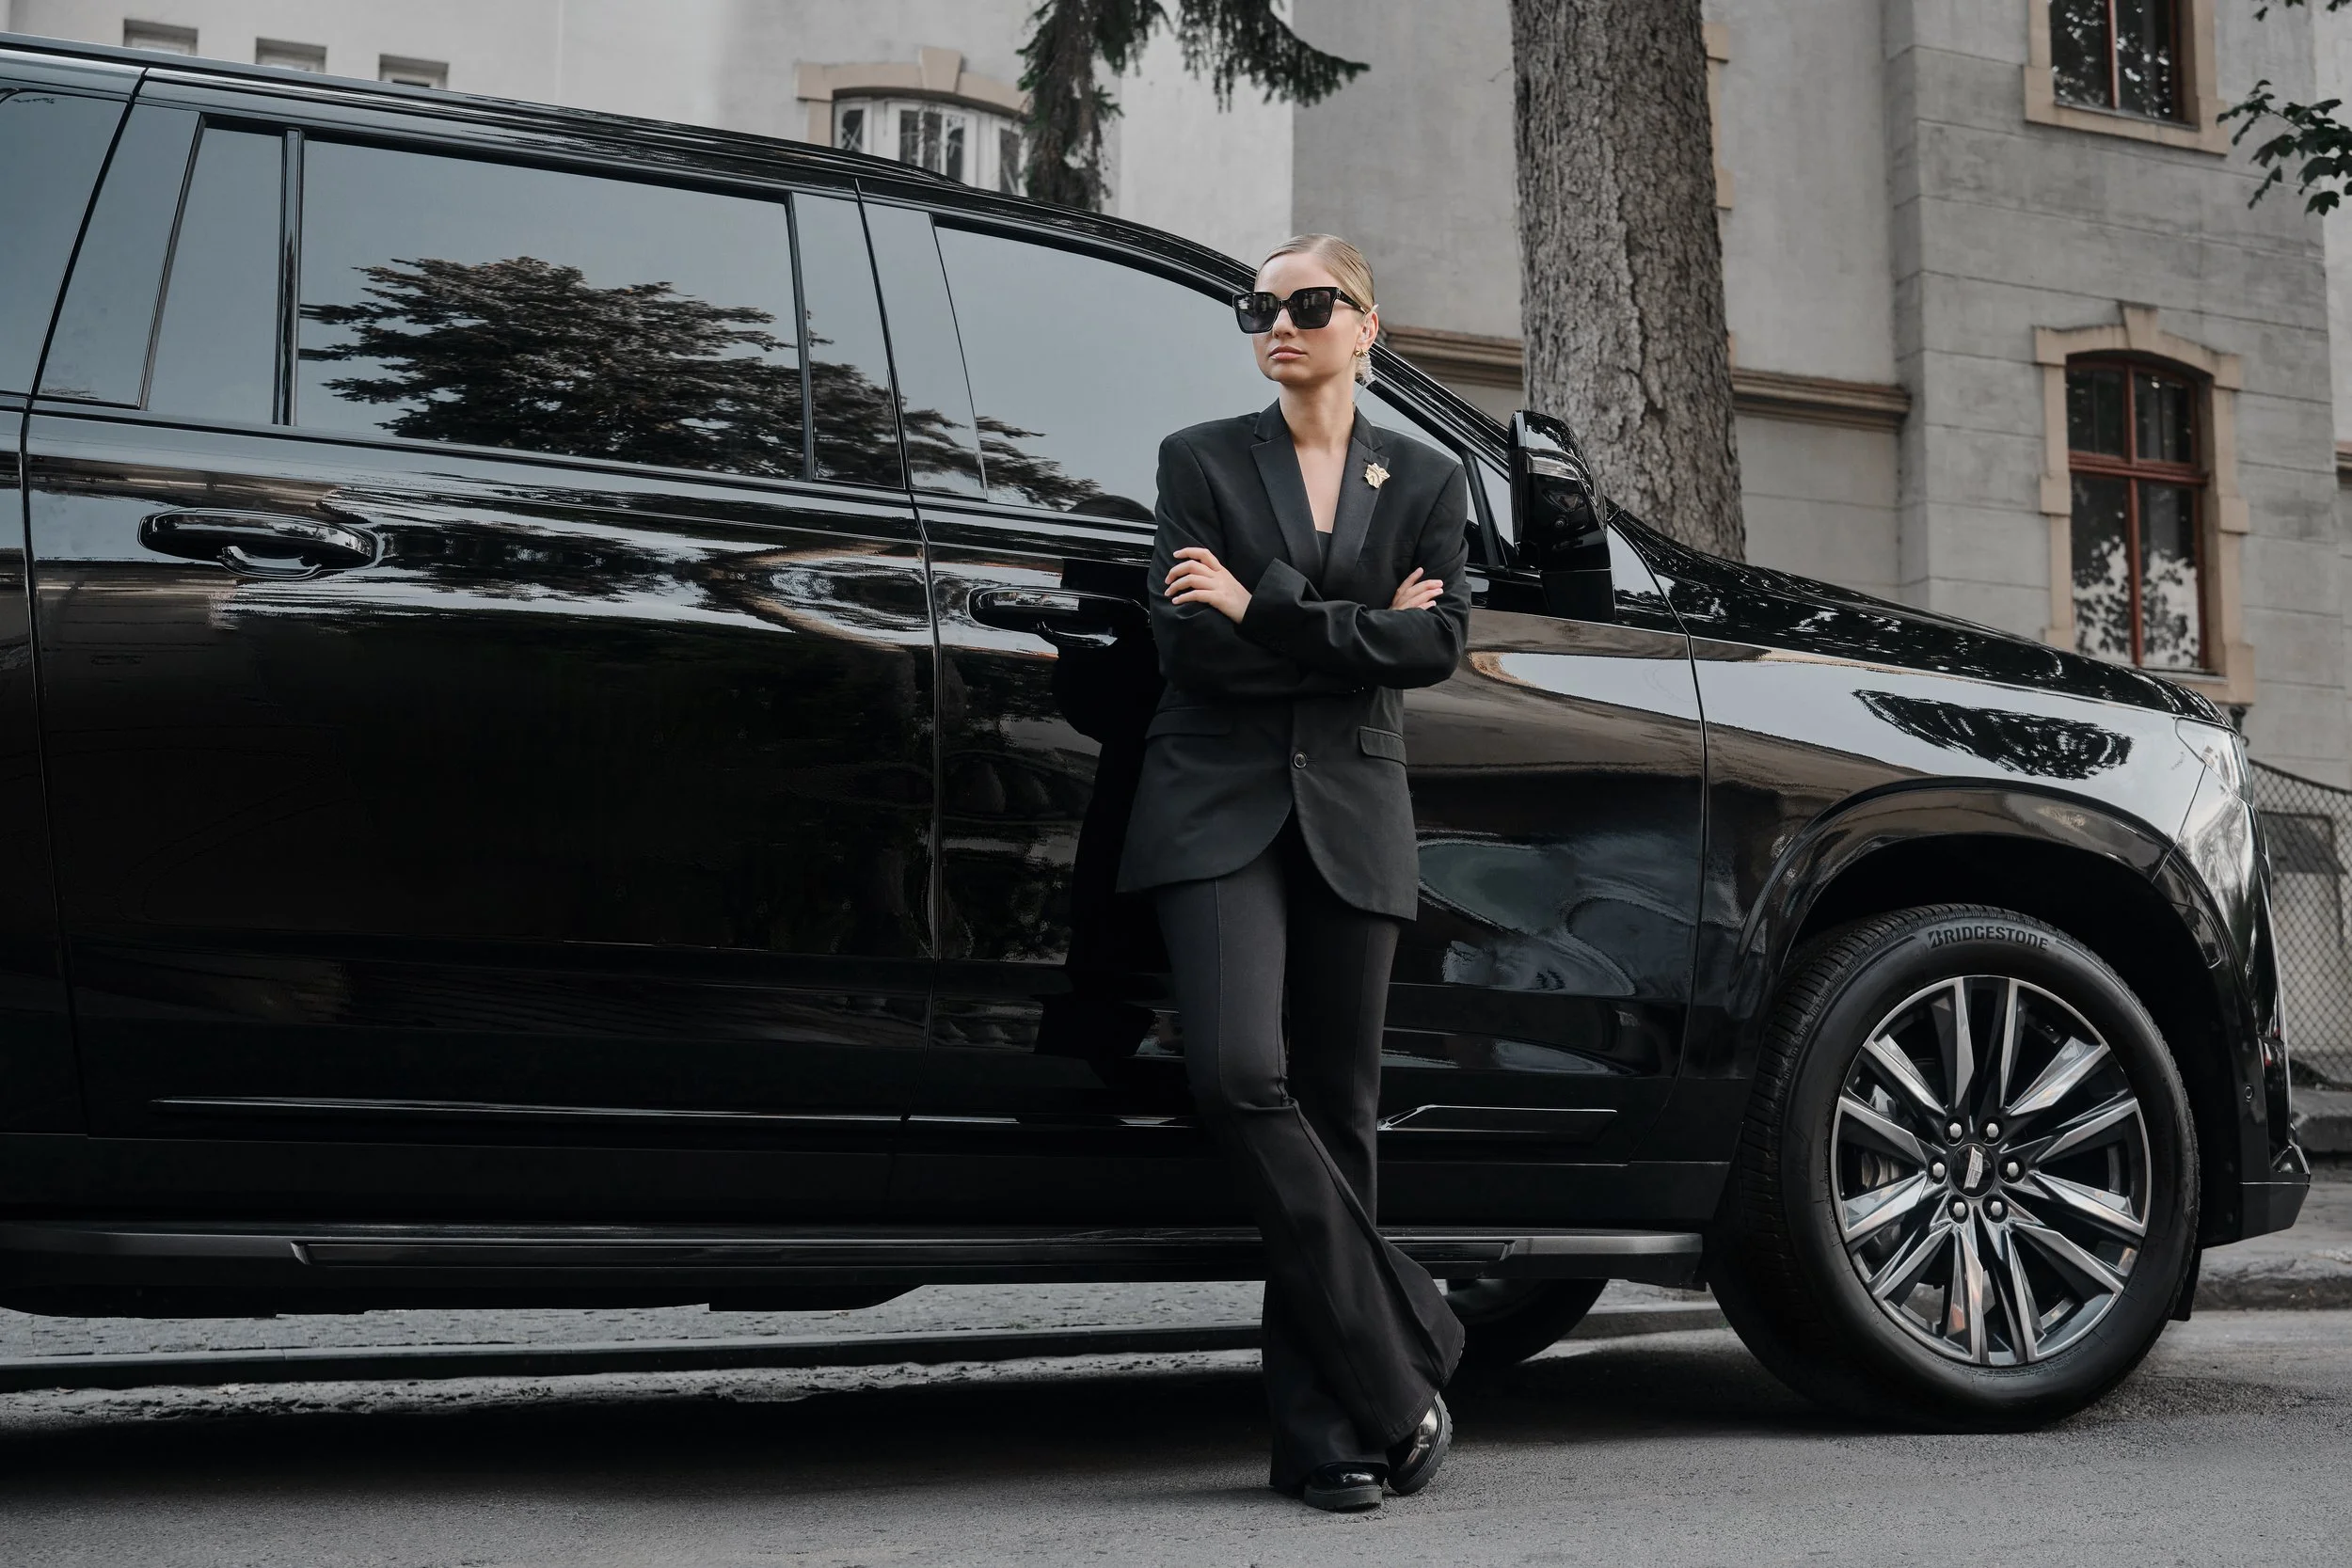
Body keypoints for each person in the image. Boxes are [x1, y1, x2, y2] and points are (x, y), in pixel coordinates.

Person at [1115, 233, 1472, 1512]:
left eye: (1309, 303)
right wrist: (1346, 634)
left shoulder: (1427, 478)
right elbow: (1187, 650)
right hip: (1213, 804)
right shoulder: (1200, 461)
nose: (1280, 321)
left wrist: (1260, 606)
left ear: (1368, 324)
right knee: (1238, 1074)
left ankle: (1330, 1438)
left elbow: (1431, 644)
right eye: (1258, 306)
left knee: (1338, 1112)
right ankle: (1407, 1337)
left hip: (1354, 814)